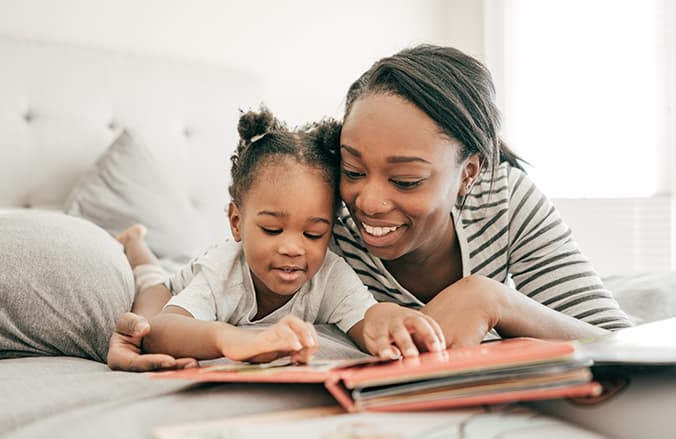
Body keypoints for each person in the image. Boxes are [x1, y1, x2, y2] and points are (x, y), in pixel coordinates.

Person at [108, 44, 631, 371]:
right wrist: (143, 328)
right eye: (352, 170)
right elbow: (217, 293)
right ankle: (137, 246)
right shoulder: (318, 225)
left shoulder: (507, 201)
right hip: (186, 274)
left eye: (405, 179)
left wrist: (495, 300)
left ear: (469, 172)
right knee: (158, 273)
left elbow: (627, 344)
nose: (368, 203)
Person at [108, 108, 446, 371]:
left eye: (314, 234)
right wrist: (231, 339)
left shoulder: (330, 274)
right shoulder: (221, 272)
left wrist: (389, 318)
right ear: (237, 222)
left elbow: (365, 317)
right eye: (272, 229)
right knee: (149, 297)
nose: (292, 248)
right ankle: (136, 242)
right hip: (174, 287)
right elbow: (164, 329)